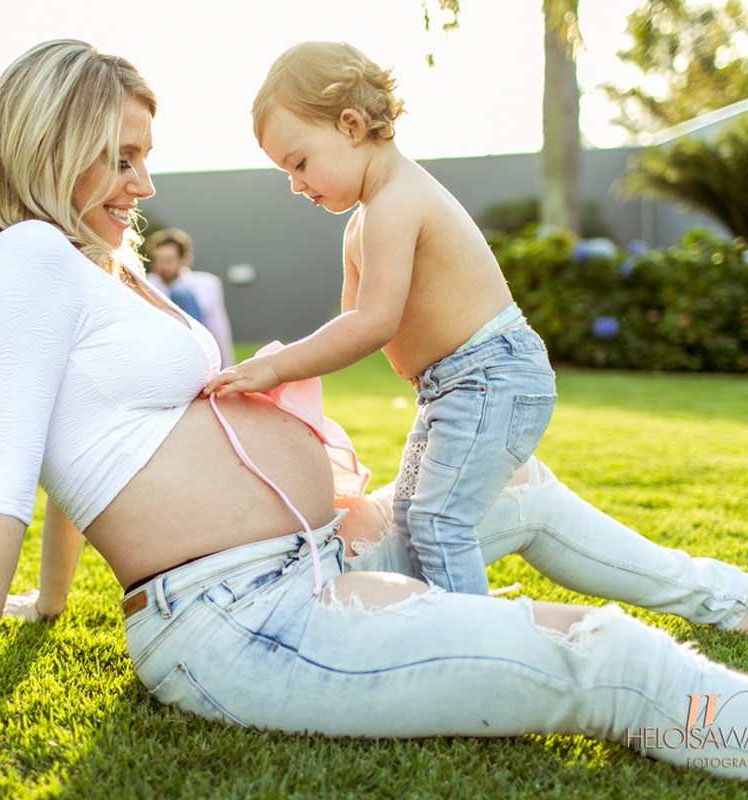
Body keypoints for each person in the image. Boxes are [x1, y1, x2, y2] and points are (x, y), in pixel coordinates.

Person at [0, 40, 748, 798]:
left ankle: (744, 597)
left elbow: (83, 446)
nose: (143, 182)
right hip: (237, 618)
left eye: (145, 153)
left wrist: (54, 602)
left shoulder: (96, 264)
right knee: (604, 657)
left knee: (516, 486)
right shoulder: (22, 263)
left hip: (311, 554)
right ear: (44, 139)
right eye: (120, 155)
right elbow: (0, 493)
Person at [204, 42, 556, 597]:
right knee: (416, 515)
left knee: (439, 523)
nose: (296, 184)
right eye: (285, 172)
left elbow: (373, 324)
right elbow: (349, 329)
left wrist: (273, 370)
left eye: (299, 162)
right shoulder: (362, 223)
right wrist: (286, 367)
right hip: (453, 387)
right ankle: (449, 611)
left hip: (492, 374)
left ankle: (472, 642)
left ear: (350, 125)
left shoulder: (397, 201)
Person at [145, 227, 235, 366]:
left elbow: (219, 326)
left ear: (185, 259)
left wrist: (226, 365)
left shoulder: (207, 285)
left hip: (200, 351)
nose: (162, 266)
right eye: (158, 260)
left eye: (168, 260)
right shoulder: (146, 285)